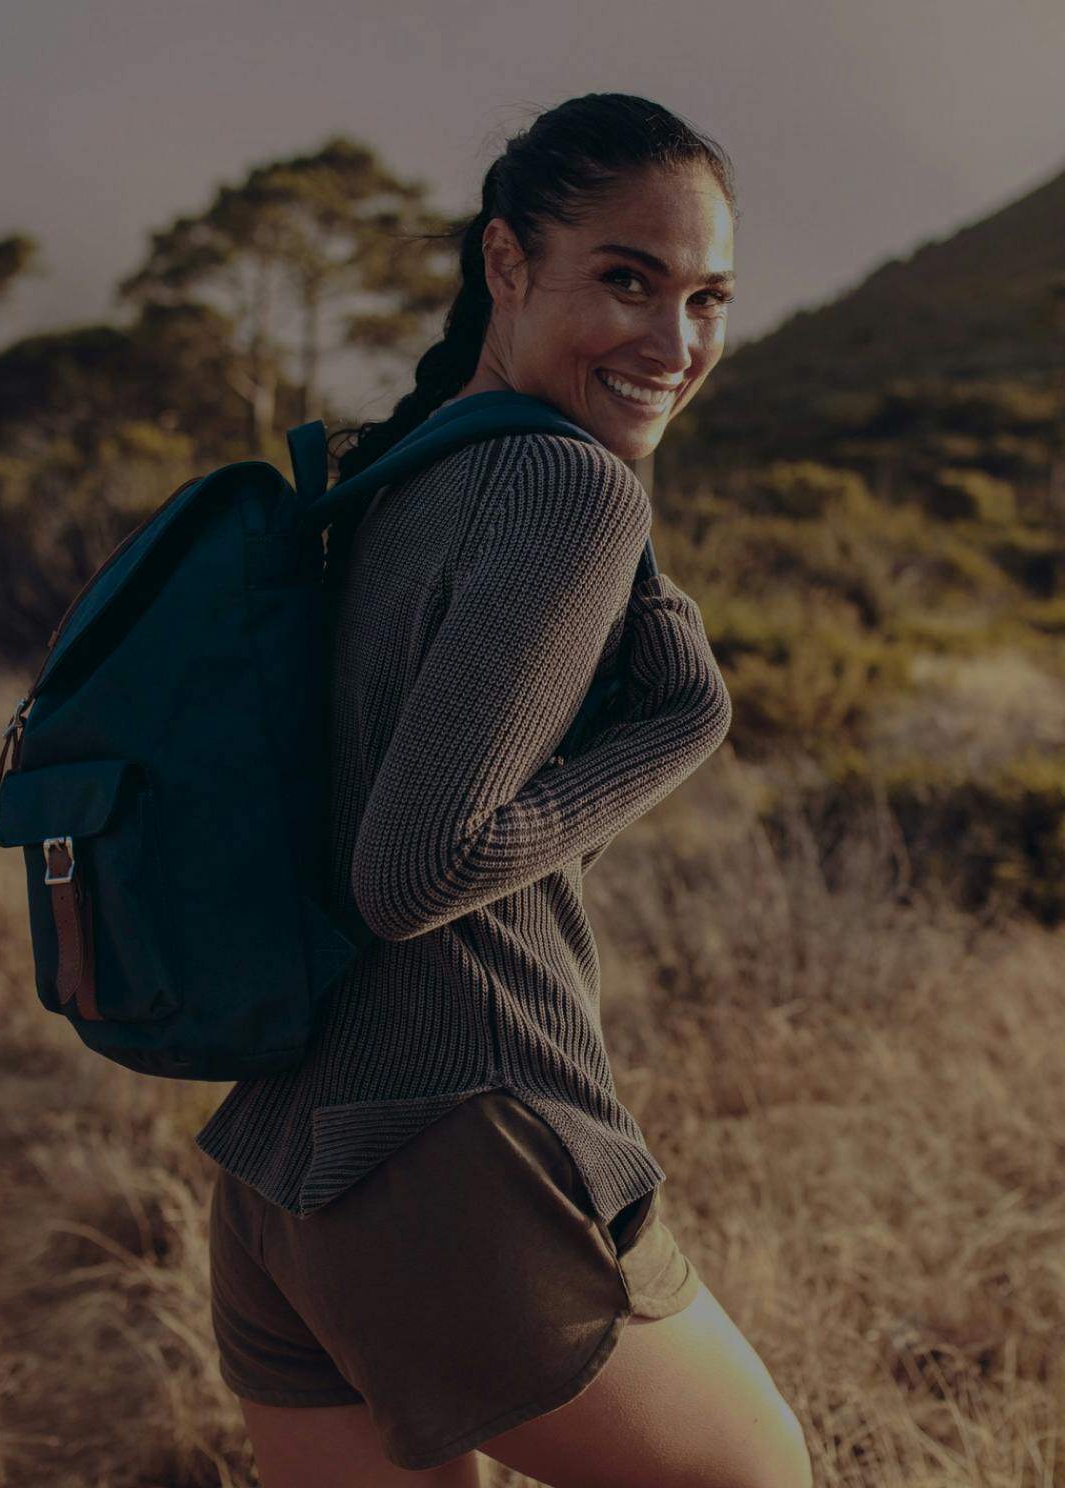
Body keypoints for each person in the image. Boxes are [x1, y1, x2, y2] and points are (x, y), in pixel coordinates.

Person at [199, 92, 813, 1488]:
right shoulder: (560, 490)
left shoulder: (386, 481)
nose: (674, 341)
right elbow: (414, 867)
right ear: (504, 263)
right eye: (627, 279)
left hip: (283, 1187)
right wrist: (683, 726)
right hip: (456, 1154)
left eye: (707, 297)